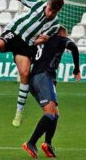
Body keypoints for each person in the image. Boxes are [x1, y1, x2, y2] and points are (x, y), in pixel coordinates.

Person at [22, 26, 81, 158]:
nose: (66, 36)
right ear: (61, 33)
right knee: (49, 113)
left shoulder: (42, 42)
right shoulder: (59, 38)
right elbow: (74, 48)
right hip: (43, 77)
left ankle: (47, 144)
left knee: (55, 113)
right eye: (66, 34)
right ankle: (31, 143)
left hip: (38, 78)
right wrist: (76, 69)